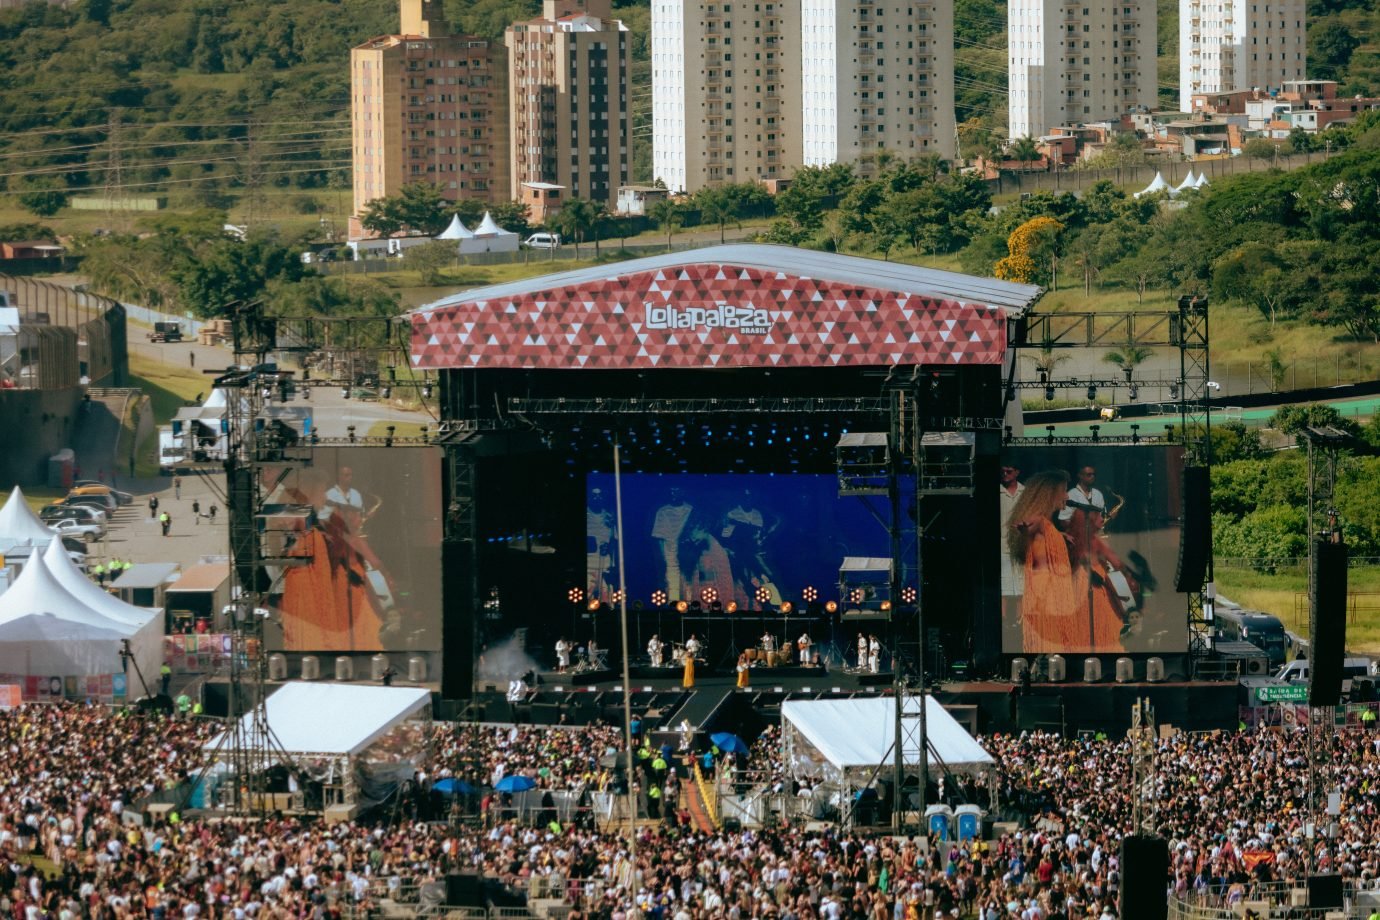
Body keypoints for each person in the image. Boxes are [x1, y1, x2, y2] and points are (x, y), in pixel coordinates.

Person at [1008, 471, 1079, 653]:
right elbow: (1025, 525)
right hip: (1045, 593)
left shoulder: (1047, 523)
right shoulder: (1038, 519)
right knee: (1051, 642)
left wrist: (1059, 536)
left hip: (1050, 591)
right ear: (1050, 493)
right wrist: (1023, 530)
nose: (1067, 495)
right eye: (1063, 490)